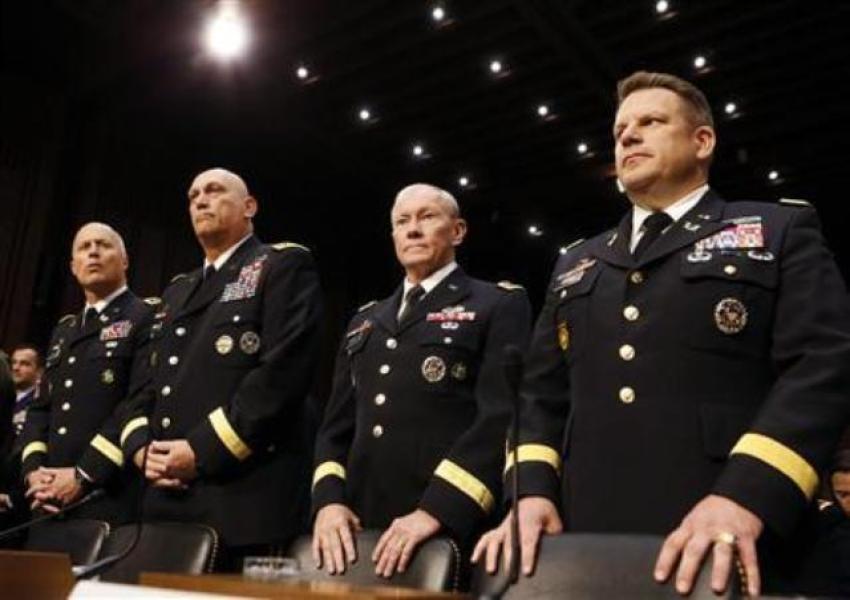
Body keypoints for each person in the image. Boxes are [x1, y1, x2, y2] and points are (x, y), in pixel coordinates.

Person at [472, 71, 850, 596]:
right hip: (588, 536)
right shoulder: (577, 262)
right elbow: (539, 395)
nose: (628, 135)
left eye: (651, 122)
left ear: (703, 141)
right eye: (621, 128)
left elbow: (822, 367)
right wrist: (530, 492)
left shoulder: (776, 231)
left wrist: (747, 496)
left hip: (735, 531)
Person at [311, 183, 532, 578]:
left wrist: (437, 510)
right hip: (358, 529)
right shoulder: (364, 320)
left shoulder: (497, 304)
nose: (412, 229)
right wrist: (328, 502)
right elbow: (335, 429)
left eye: (427, 217)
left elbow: (499, 419)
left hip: (445, 527)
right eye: (402, 221)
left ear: (458, 231)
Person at [119, 168, 323, 568]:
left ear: (249, 207)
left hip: (244, 497)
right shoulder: (178, 289)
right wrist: (141, 449)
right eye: (193, 195)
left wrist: (200, 450)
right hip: (165, 494)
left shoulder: (282, 264)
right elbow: (145, 383)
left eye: (213, 191)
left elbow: (282, 375)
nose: (200, 200)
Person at [18, 223, 155, 523]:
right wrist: (34, 473)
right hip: (48, 499)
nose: (93, 251)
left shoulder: (145, 316)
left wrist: (84, 475)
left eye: (103, 245)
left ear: (125, 260)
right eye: (84, 247)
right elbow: (40, 410)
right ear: (73, 266)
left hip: (107, 493)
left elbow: (138, 402)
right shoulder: (64, 330)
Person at [10, 345, 42, 436]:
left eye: (24, 363)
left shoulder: (39, 402)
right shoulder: (4, 394)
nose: (15, 368)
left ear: (39, 371)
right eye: (13, 362)